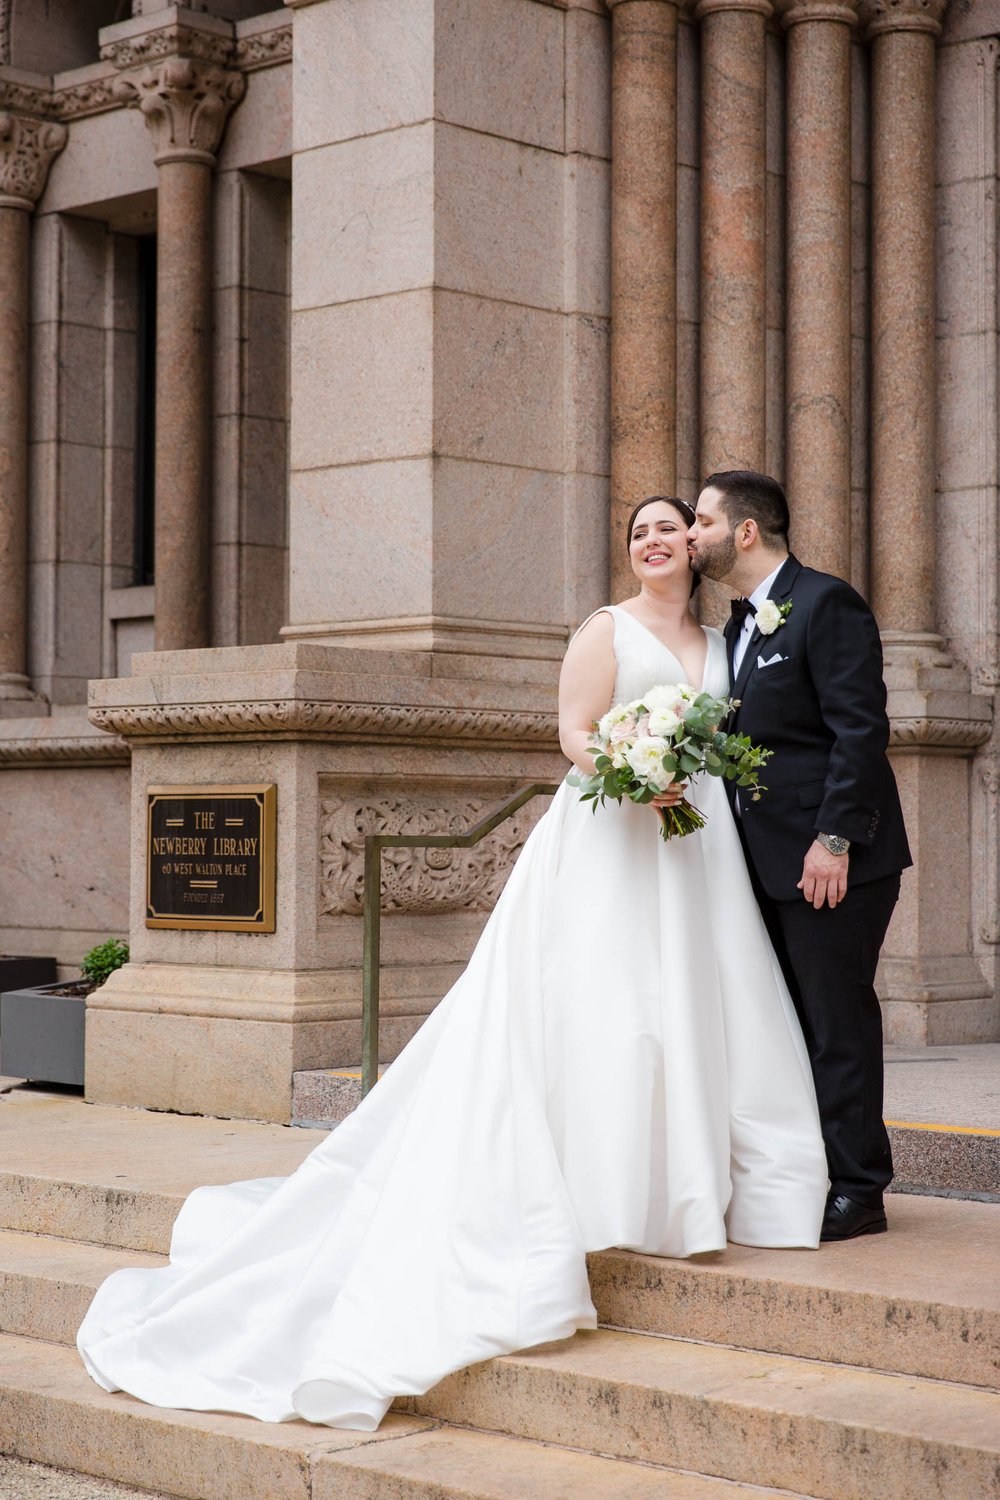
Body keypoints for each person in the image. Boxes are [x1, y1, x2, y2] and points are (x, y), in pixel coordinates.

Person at [77, 496, 827, 1433]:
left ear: (698, 544)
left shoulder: (722, 641)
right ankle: (603, 1192)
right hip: (611, 845)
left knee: (694, 1004)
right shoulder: (605, 629)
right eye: (639, 531)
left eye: (669, 528)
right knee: (606, 1008)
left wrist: (678, 776)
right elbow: (573, 732)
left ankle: (688, 1189)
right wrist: (630, 773)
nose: (654, 541)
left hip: (694, 845)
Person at [687, 471, 911, 1242]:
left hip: (832, 860)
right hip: (763, 862)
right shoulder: (735, 627)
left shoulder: (826, 603)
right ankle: (809, 1171)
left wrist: (834, 839)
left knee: (834, 1022)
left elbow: (860, 732)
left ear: (745, 532)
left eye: (703, 521)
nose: (691, 535)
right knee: (787, 1025)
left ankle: (859, 1188)